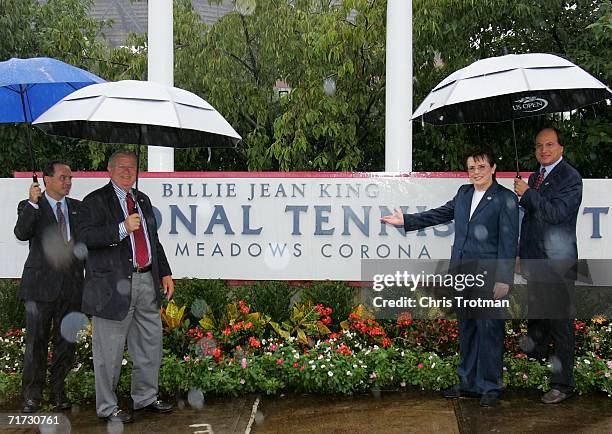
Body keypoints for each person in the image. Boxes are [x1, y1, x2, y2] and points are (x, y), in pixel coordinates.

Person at [381, 147, 519, 407]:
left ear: (493, 168)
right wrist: (406, 221)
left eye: (481, 167)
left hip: (489, 277)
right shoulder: (464, 193)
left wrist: (504, 278)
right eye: (471, 168)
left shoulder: (505, 199)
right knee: (467, 329)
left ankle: (490, 386)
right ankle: (468, 383)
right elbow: (439, 214)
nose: (476, 172)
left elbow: (509, 241)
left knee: (489, 331)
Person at [77, 150, 174, 423]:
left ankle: (145, 398)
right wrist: (121, 228)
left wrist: (164, 273)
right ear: (109, 169)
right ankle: (107, 408)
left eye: (132, 167)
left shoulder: (141, 200)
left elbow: (153, 241)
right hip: (111, 287)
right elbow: (84, 238)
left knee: (149, 344)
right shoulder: (95, 201)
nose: (127, 171)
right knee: (108, 352)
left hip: (146, 280)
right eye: (121, 167)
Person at [514, 127, 582, 404]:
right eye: (539, 145)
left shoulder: (570, 177)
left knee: (560, 326)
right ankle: (537, 369)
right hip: (535, 261)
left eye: (550, 145)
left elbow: (555, 213)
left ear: (561, 148)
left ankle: (562, 385)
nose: (544, 150)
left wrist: (528, 193)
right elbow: (530, 221)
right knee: (539, 320)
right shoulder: (536, 176)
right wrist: (521, 254)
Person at [14, 161, 84, 413]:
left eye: (70, 178)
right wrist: (33, 203)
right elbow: (22, 233)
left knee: (66, 343)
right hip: (40, 287)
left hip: (72, 288)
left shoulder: (78, 209)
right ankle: (32, 396)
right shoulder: (30, 206)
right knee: (36, 343)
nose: (68, 182)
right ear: (47, 179)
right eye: (63, 177)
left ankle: (58, 393)